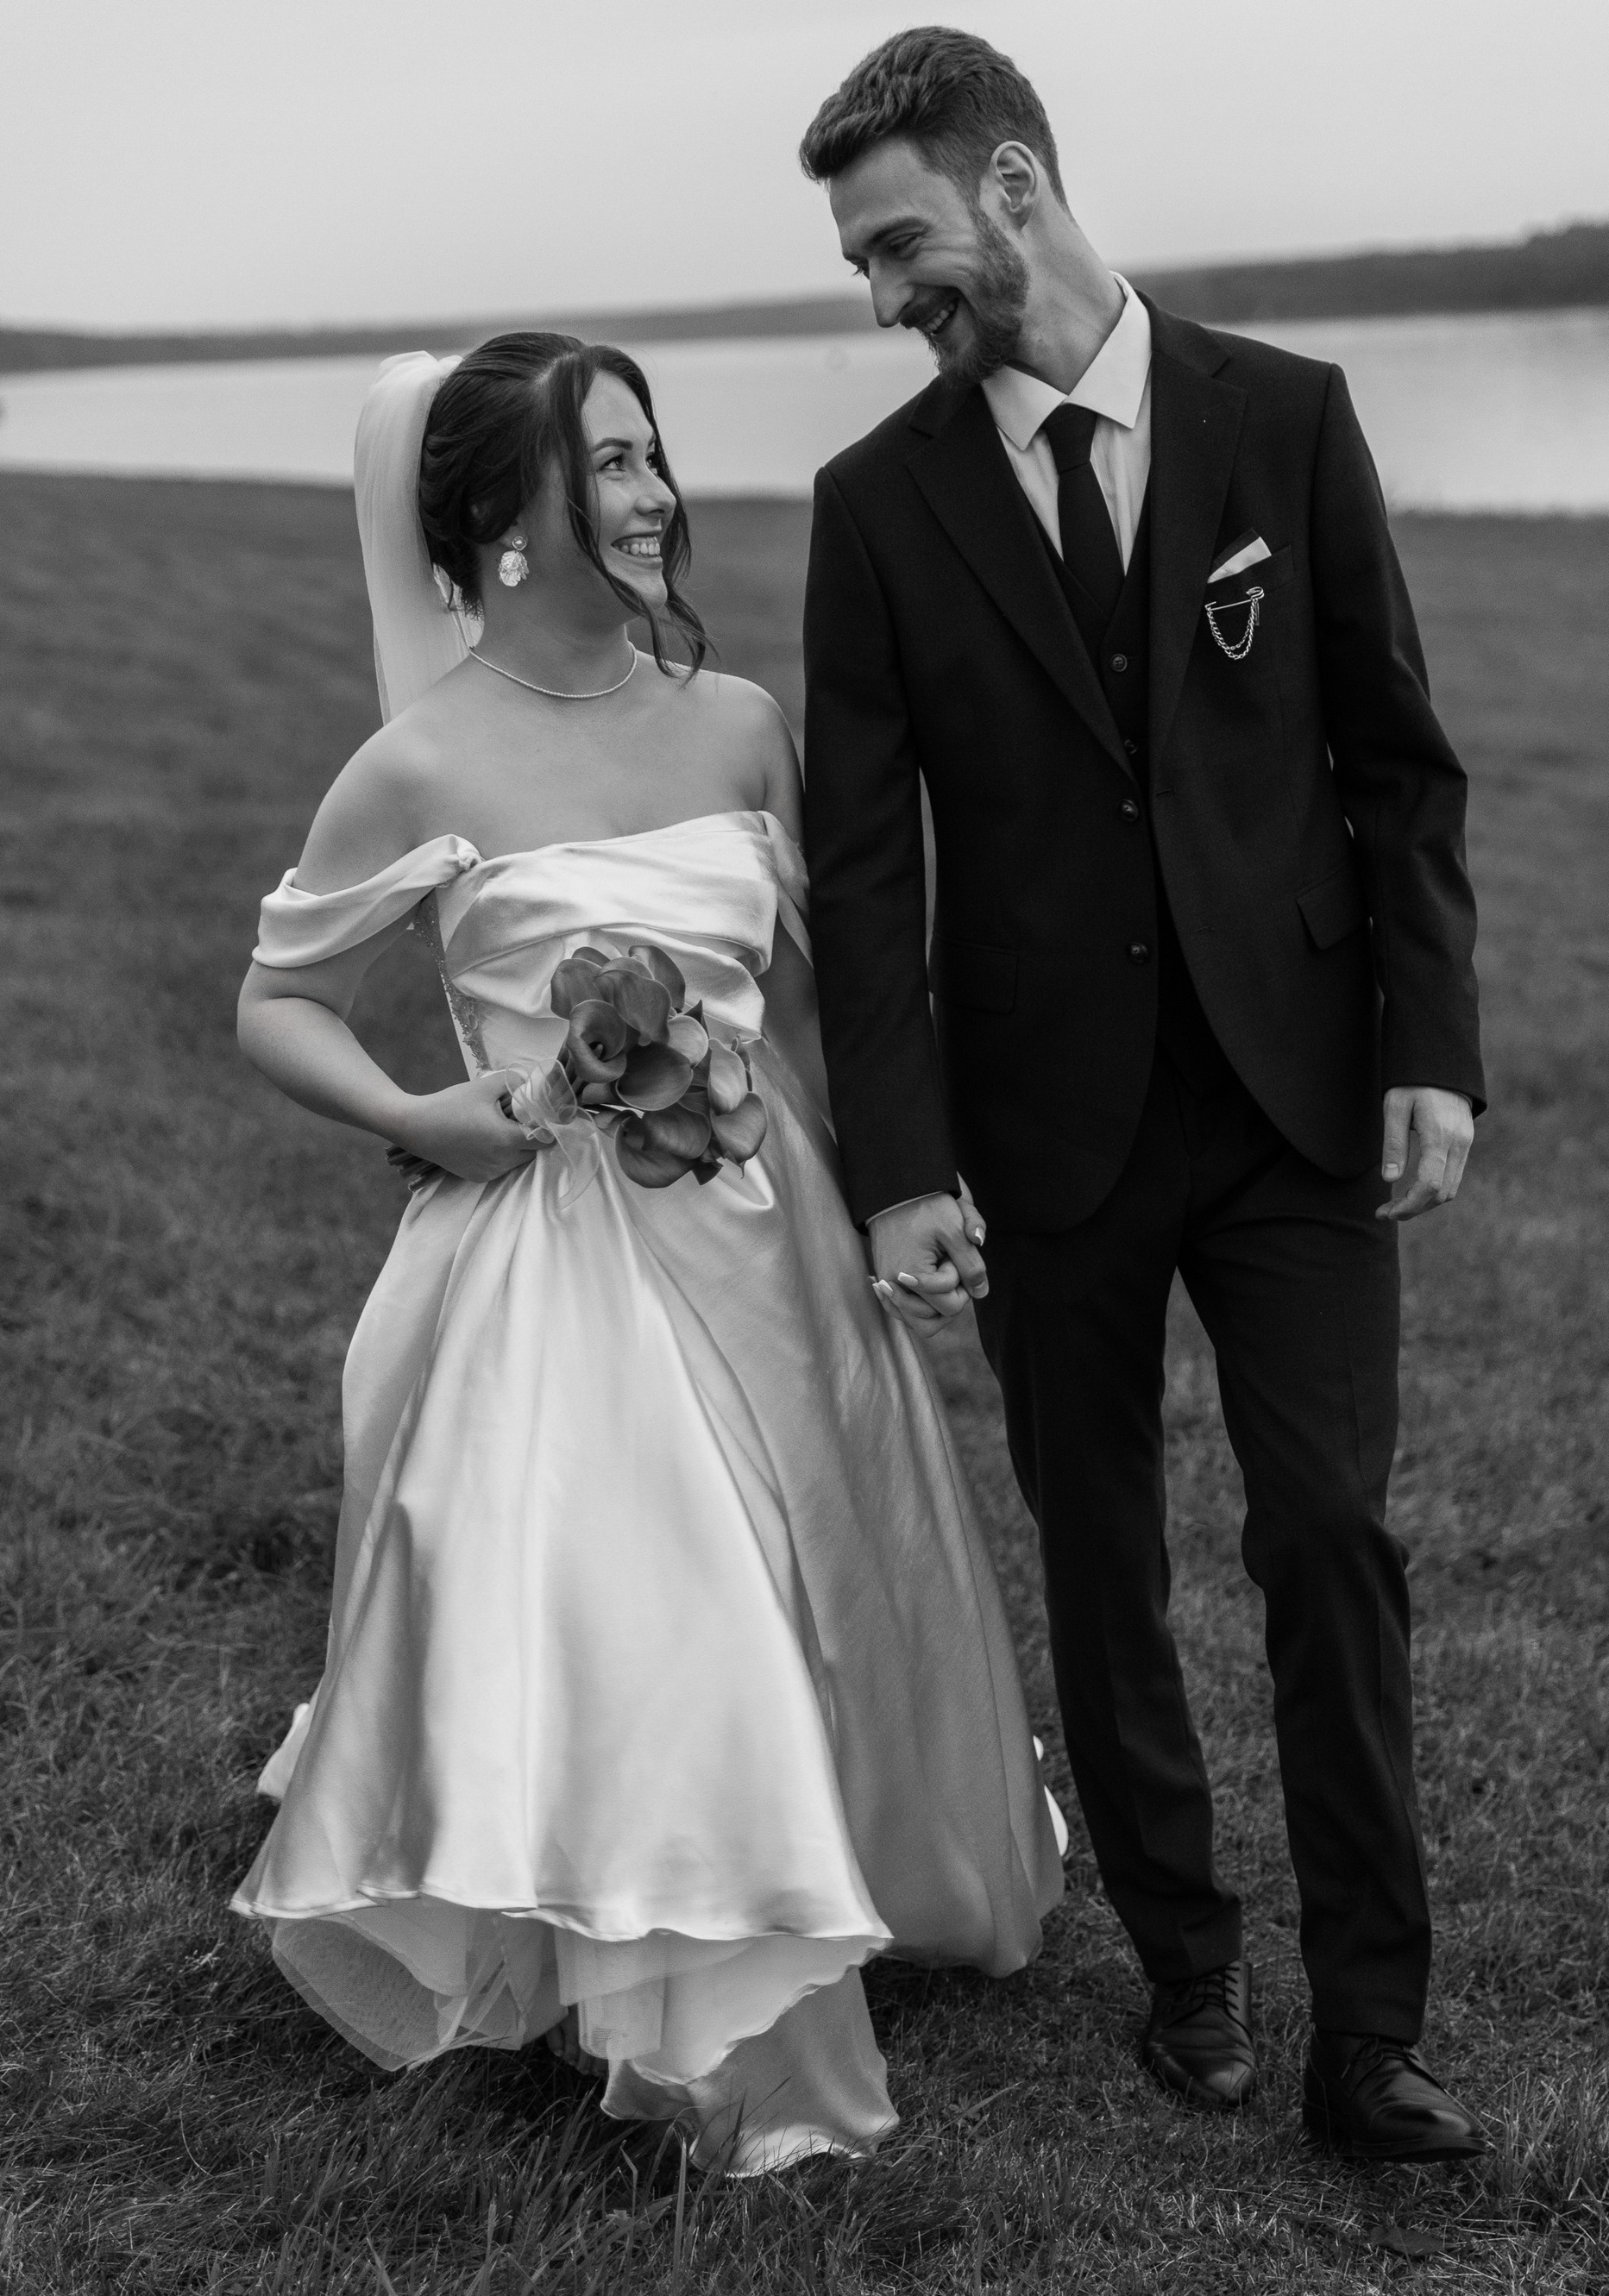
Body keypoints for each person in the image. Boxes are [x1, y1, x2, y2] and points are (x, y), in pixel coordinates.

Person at [229, 332, 1063, 2174]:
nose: (654, 495)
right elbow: (276, 1000)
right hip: (562, 1268)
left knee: (824, 1565)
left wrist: (901, 1188)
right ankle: (696, 1985)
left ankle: (850, 1855)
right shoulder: (418, 762)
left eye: (650, 454)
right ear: (505, 528)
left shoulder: (741, 722)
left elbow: (825, 998)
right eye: (608, 465)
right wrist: (426, 1109)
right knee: (668, 1608)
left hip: (772, 1236)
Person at [797, 28, 1487, 2160]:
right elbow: (863, 872)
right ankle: (1188, 1961)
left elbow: (1397, 760)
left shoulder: (1288, 415)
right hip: (1045, 1131)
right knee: (1100, 1560)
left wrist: (1431, 1045)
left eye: (899, 242)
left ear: (1013, 185)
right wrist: (902, 1164)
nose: (884, 294)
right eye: (859, 263)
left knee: (1331, 1531)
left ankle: (1371, 2029)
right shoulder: (874, 507)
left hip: (1294, 1097)